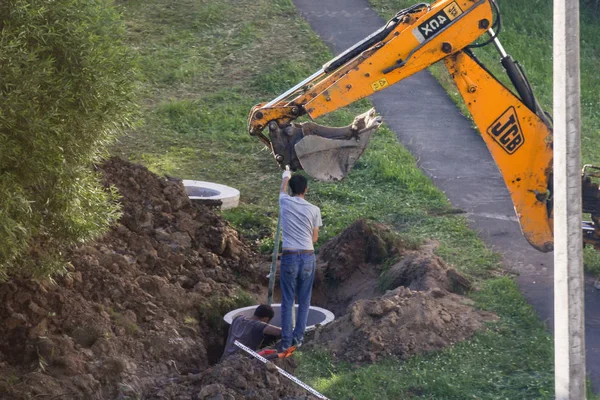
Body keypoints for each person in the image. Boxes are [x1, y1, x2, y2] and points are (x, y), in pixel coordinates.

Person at [278, 170, 322, 351]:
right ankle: (299, 340)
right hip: (308, 256)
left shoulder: (284, 201)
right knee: (304, 301)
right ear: (306, 189)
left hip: (289, 256)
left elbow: (281, 190)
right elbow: (314, 239)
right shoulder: (314, 210)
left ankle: (286, 342)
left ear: (291, 189)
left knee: (288, 301)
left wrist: (285, 177)